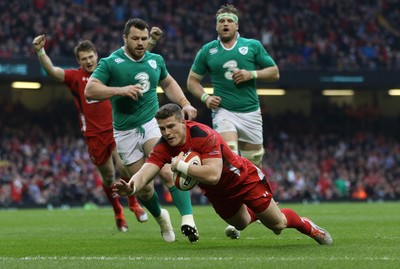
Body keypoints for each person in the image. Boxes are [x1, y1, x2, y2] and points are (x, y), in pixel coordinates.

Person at [113, 104, 333, 245]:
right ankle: (257, 212)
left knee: (277, 225)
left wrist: (180, 166)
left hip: (242, 179)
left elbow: (213, 174)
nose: (166, 133)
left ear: (183, 122)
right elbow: (145, 172)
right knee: (241, 224)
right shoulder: (163, 146)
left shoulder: (204, 134)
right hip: (217, 193)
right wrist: (131, 187)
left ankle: (309, 227)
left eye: (170, 126)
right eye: (161, 129)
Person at [31, 27, 163, 232]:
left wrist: (152, 40)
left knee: (124, 168)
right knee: (109, 177)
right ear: (79, 61)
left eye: (91, 56)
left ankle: (134, 204)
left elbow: (138, 61)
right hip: (93, 135)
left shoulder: (108, 71)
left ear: (96, 55)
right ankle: (118, 212)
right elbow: (53, 72)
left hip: (116, 129)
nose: (89, 61)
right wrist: (41, 52)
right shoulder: (76, 78)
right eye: (84, 58)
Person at [84, 18, 199, 243]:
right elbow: (90, 90)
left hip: (151, 123)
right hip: (124, 131)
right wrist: (120, 90)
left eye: (144, 39)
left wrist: (185, 103)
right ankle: (161, 218)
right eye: (135, 38)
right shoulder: (110, 62)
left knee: (167, 170)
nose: (140, 43)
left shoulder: (155, 60)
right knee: (143, 189)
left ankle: (188, 220)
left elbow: (168, 83)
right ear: (125, 38)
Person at [187, 4, 279, 168]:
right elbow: (192, 81)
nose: (225, 24)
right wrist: (205, 97)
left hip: (251, 112)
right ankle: (229, 192)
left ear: (237, 26)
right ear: (216, 26)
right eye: (221, 21)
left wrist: (251, 74)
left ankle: (249, 193)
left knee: (254, 163)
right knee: (230, 155)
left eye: (230, 20)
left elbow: (274, 73)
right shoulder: (207, 51)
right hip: (224, 111)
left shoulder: (253, 46)